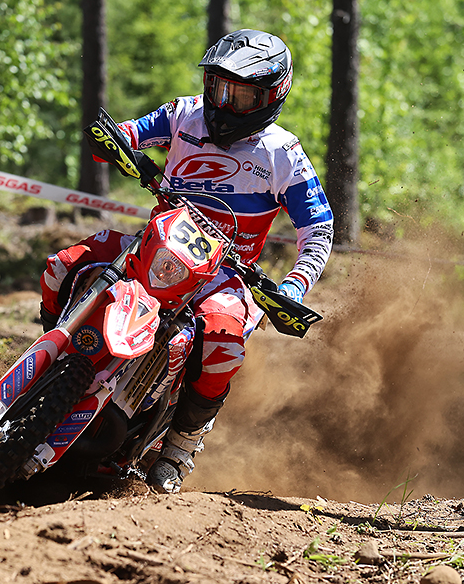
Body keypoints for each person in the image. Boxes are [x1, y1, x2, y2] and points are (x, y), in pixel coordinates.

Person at [39, 29, 334, 493]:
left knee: (222, 342)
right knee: (62, 266)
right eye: (218, 87)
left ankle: (180, 446)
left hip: (226, 275)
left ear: (271, 96)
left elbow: (319, 228)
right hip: (154, 246)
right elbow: (127, 134)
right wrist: (114, 141)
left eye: (241, 96)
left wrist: (293, 286)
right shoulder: (184, 114)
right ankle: (50, 368)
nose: (224, 103)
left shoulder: (283, 154)